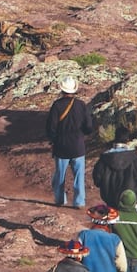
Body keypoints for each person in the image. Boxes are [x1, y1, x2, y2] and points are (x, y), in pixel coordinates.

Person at [46, 76, 94, 208]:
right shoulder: (81, 105)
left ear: (62, 90)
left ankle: (60, 199)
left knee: (60, 175)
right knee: (79, 176)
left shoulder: (56, 105)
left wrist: (53, 140)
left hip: (61, 146)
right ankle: (79, 201)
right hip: (78, 146)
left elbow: (51, 127)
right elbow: (89, 126)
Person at [93, 135, 137, 211]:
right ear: (127, 141)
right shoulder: (135, 158)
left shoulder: (104, 159)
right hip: (132, 200)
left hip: (111, 201)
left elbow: (97, 179)